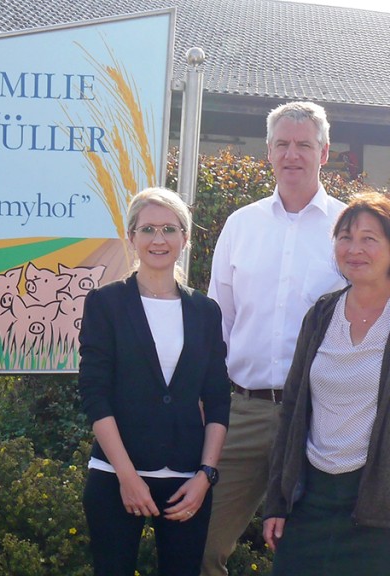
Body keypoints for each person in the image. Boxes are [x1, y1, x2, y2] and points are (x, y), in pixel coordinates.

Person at [201, 101, 346, 576]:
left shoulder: (349, 231)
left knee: (308, 557)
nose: (292, 154)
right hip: (242, 413)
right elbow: (216, 324)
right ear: (268, 152)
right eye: (282, 144)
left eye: (304, 144)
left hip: (319, 417)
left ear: (324, 153)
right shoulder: (241, 226)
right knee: (199, 546)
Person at [78, 187, 230, 576]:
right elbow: (95, 395)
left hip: (186, 483)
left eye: (169, 229)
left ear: (185, 238)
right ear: (131, 238)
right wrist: (128, 477)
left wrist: (205, 476)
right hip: (115, 476)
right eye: (147, 229)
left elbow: (217, 400)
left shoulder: (205, 311)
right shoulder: (106, 304)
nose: (158, 239)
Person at [263, 193, 390, 575]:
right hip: (310, 498)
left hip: (376, 507)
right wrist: (277, 502)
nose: (355, 249)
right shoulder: (320, 314)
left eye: (370, 238)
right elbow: (292, 411)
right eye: (345, 237)